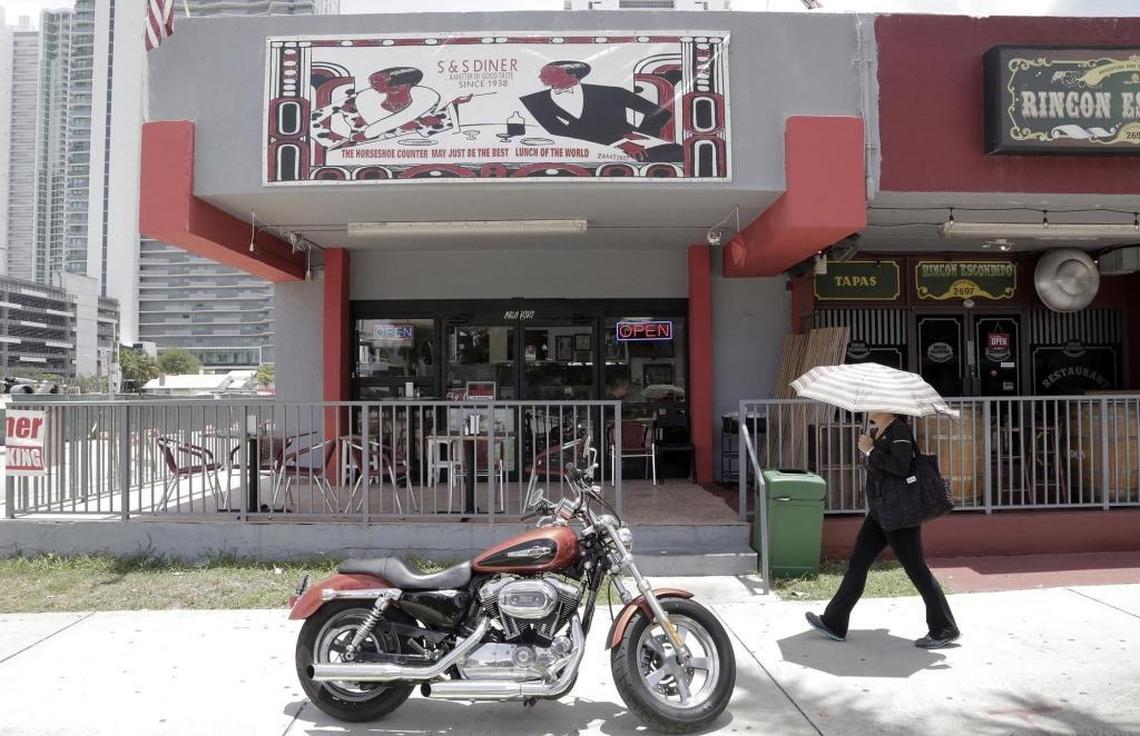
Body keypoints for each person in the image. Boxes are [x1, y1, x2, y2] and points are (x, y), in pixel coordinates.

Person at [805, 411, 960, 649]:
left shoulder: (899, 431)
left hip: (899, 514)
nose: (868, 407)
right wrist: (870, 449)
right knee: (858, 563)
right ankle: (834, 622)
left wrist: (871, 450)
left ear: (887, 406)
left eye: (873, 403)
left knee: (916, 569)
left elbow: (900, 466)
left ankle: (945, 628)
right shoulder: (880, 432)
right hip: (881, 511)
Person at [519, 60, 683, 162]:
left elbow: (660, 113)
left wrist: (641, 134)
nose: (541, 77)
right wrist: (620, 142)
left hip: (631, 148)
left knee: (674, 154)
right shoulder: (534, 101)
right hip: (579, 150)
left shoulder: (613, 93)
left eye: (550, 73)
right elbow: (558, 130)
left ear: (573, 75)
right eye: (542, 73)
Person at [312, 66, 471, 149]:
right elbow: (315, 119)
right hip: (355, 152)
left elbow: (436, 124)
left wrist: (455, 105)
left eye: (378, 83)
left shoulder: (426, 100)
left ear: (402, 85)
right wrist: (334, 142)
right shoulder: (359, 100)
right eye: (372, 82)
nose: (372, 85)